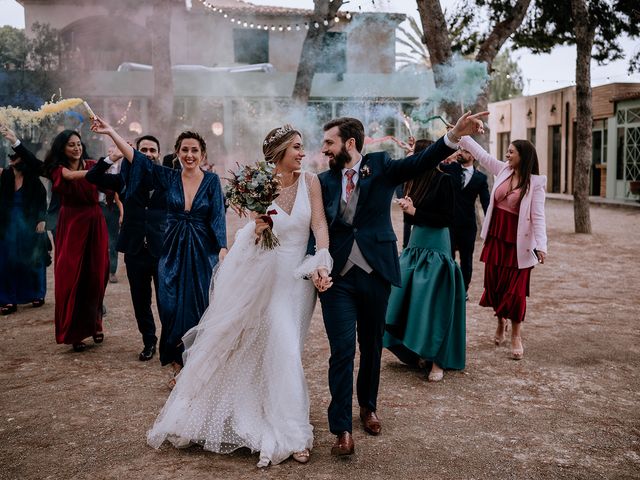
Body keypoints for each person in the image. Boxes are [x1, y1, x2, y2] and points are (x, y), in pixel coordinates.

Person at [146, 125, 333, 467]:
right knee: (285, 348)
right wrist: (260, 229)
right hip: (268, 274)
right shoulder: (259, 186)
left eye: (302, 147)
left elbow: (319, 225)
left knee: (282, 347)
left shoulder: (311, 182)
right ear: (279, 153)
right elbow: (255, 234)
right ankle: (292, 434)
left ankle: (269, 407)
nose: (302, 153)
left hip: (299, 280)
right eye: (296, 148)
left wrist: (322, 260)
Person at [315, 112, 486, 455]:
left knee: (372, 345)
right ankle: (342, 429)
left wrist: (453, 136)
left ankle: (368, 407)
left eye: (329, 143)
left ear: (350, 143)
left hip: (376, 272)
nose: (325, 150)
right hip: (338, 280)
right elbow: (315, 226)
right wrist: (316, 266)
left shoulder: (380, 166)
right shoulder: (323, 180)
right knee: (342, 352)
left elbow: (422, 160)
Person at [90, 116, 228, 380]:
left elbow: (217, 216)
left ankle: (195, 360)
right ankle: (175, 357)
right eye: (184, 150)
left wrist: (221, 247)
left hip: (201, 249)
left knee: (200, 304)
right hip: (172, 246)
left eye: (194, 150)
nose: (189, 154)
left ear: (202, 154)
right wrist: (111, 133)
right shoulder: (168, 177)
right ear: (177, 153)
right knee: (170, 305)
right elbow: (137, 159)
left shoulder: (212, 181)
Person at [456, 135, 547, 360]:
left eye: (511, 152)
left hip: (520, 244)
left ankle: (516, 335)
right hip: (497, 237)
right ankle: (500, 322)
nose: (507, 155)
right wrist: (463, 136)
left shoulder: (535, 184)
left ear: (522, 156)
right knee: (496, 286)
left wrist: (542, 245)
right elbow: (482, 156)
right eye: (507, 152)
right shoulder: (503, 170)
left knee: (515, 292)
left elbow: (538, 216)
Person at [384, 155, 466, 382]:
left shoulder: (444, 180)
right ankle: (415, 351)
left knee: (435, 301)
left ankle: (438, 360)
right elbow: (412, 220)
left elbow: (446, 218)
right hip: (416, 244)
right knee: (410, 298)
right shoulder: (412, 181)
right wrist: (408, 209)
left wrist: (415, 212)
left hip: (436, 246)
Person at [85, 135, 167, 361]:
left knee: (166, 301)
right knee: (141, 301)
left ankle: (169, 344)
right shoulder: (123, 178)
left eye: (152, 150)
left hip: (161, 249)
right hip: (134, 249)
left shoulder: (167, 177)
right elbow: (93, 176)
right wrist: (114, 156)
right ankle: (149, 341)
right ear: (136, 153)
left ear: (158, 153)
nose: (148, 154)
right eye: (143, 150)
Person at [42, 130, 109, 351]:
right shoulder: (58, 170)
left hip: (94, 222)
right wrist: (107, 161)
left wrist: (120, 206)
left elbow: (110, 187)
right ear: (62, 148)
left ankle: (95, 324)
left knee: (95, 277)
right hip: (71, 224)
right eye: (71, 145)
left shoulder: (92, 163)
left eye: (79, 144)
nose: (77, 148)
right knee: (71, 278)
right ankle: (74, 332)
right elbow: (73, 177)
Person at [0, 126, 49, 315]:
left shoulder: (33, 179)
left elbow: (42, 201)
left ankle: (36, 293)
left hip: (29, 225)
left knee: (33, 259)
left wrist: (41, 220)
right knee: (5, 261)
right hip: (6, 225)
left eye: (16, 155)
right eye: (10, 155)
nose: (12, 157)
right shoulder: (4, 175)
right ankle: (7, 299)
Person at [440, 147, 490, 297]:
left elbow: (486, 203)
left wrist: (490, 226)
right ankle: (447, 288)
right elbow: (435, 162)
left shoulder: (481, 178)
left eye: (466, 151)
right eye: (461, 150)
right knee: (447, 258)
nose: (461, 153)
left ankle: (463, 290)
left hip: (468, 226)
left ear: (474, 156)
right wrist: (452, 152)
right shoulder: (451, 169)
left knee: (466, 260)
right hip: (448, 224)